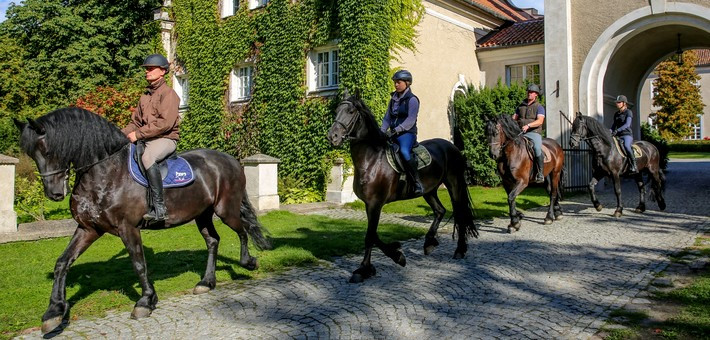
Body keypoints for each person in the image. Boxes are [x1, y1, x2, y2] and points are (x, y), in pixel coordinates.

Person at [121, 54, 180, 223]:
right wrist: (118, 135)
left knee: (147, 157)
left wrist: (138, 134)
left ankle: (159, 209)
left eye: (150, 68)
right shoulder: (145, 96)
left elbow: (165, 124)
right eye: (146, 69)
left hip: (166, 138)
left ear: (162, 71)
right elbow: (135, 123)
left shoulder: (169, 94)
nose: (147, 71)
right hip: (147, 139)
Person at [381, 69, 424, 195]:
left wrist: (396, 130)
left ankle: (417, 183)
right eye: (395, 82)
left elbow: (410, 120)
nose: (396, 85)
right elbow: (387, 118)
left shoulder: (412, 100)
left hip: (407, 134)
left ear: (407, 83)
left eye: (398, 82)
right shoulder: (393, 99)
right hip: (393, 133)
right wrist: (382, 131)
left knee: (404, 152)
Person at [513, 84, 546, 183]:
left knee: (536, 148)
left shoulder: (539, 107)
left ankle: (540, 173)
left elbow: (540, 121)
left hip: (533, 132)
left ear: (536, 94)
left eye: (531, 92)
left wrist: (529, 126)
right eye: (528, 92)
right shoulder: (520, 106)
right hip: (520, 133)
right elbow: (514, 118)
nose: (529, 93)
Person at [610, 95, 638, 173]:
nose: (617, 104)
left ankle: (634, 164)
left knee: (626, 146)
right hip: (618, 135)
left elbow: (627, 125)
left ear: (624, 103)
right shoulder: (616, 114)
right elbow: (613, 126)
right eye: (617, 102)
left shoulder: (628, 112)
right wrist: (609, 131)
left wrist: (617, 130)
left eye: (619, 102)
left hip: (626, 135)